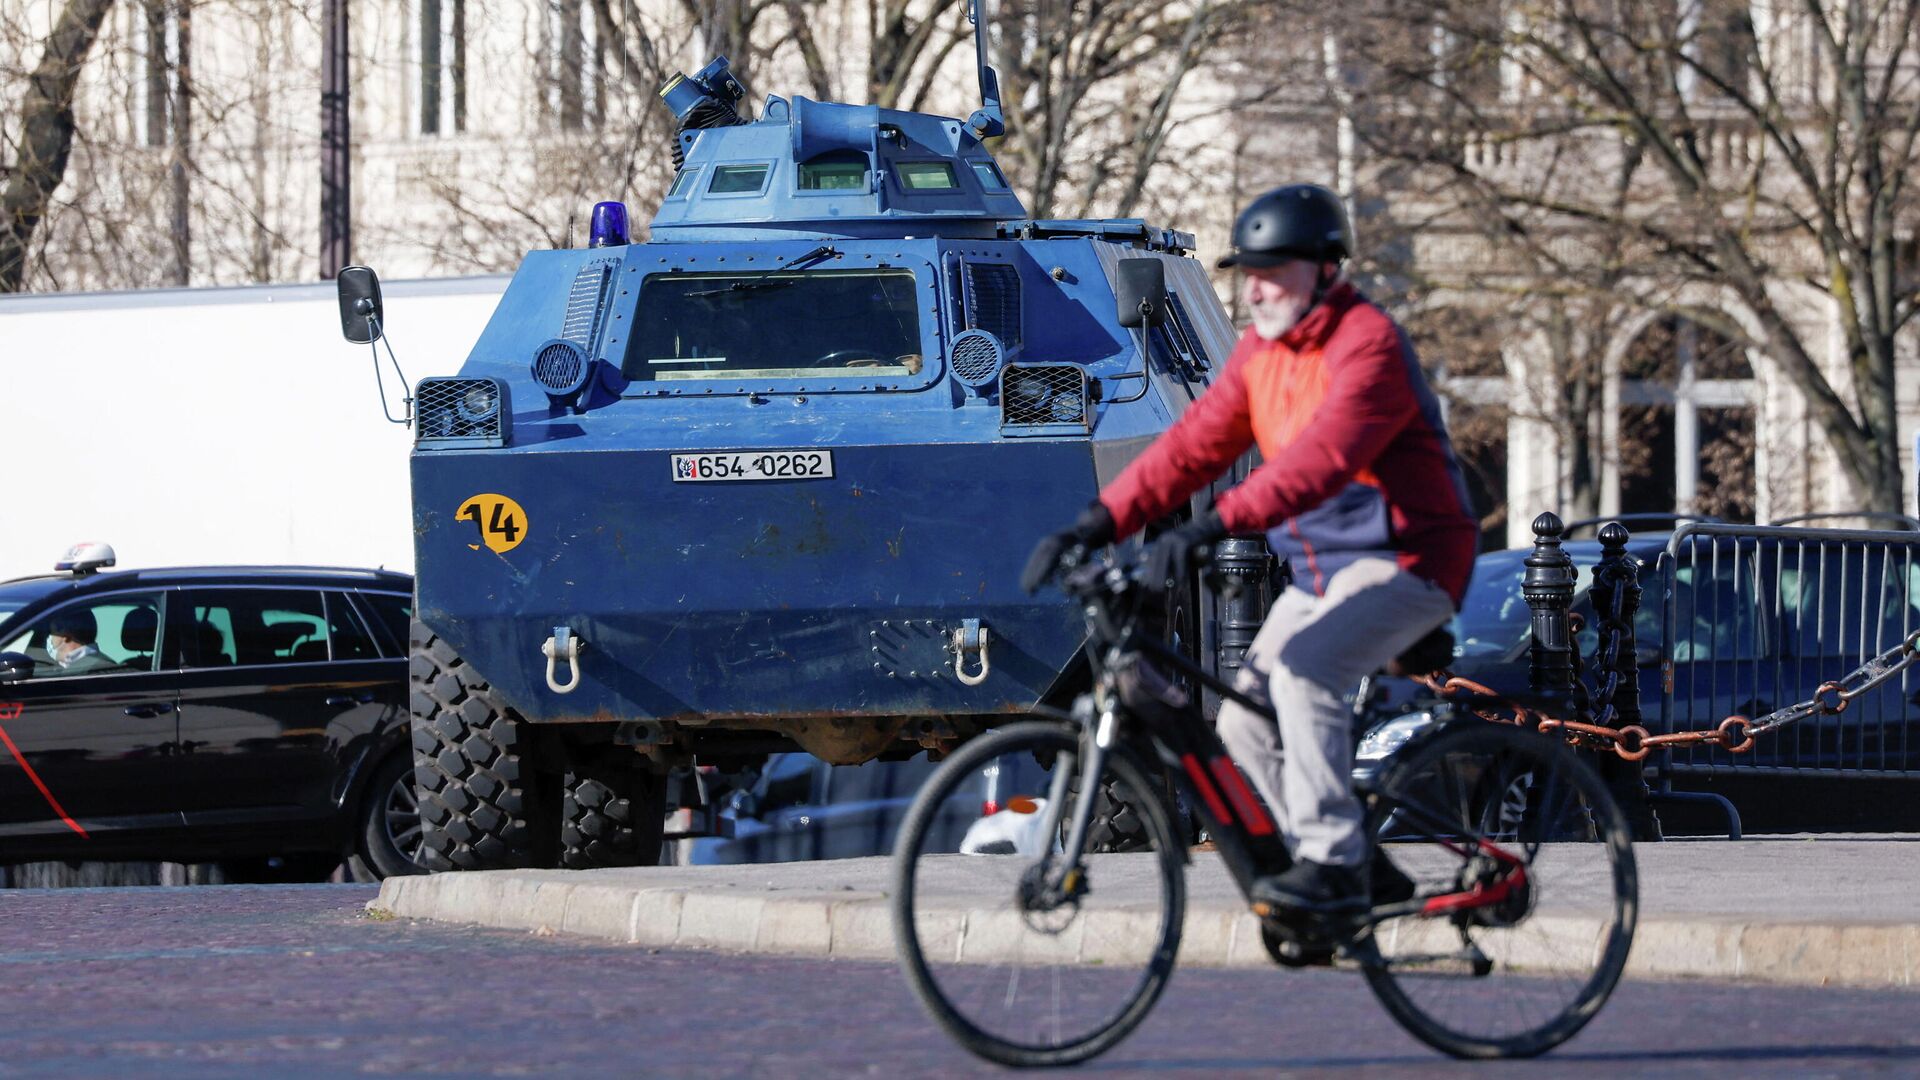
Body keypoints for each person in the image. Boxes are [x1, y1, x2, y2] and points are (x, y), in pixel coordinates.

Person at [1022, 183, 1478, 914]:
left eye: (1274, 271)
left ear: (1326, 271)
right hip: (1324, 573)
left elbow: (1322, 460)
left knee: (1301, 677)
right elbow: (1193, 447)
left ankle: (1333, 860)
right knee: (1240, 718)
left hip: (1407, 561)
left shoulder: (1369, 344)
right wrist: (1096, 522)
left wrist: (1212, 525)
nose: (1256, 287)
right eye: (1248, 272)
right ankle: (1358, 870)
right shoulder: (1260, 353)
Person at [42, 608, 118, 676]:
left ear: (64, 633)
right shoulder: (64, 667)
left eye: (51, 631)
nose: (49, 637)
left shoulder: (101, 670)